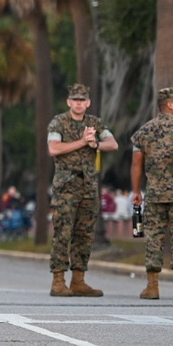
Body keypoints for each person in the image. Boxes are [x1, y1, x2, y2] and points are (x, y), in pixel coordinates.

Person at [47, 83, 119, 297]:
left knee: (85, 235)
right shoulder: (59, 122)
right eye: (75, 100)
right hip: (66, 187)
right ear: (69, 102)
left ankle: (78, 279)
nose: (78, 103)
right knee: (63, 233)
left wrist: (94, 143)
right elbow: (53, 149)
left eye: (82, 100)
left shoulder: (95, 123)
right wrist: (82, 141)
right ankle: (58, 280)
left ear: (88, 103)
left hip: (89, 187)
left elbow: (113, 144)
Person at [131, 86, 173, 301]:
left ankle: (152, 287)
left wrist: (137, 191)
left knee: (154, 239)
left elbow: (136, 164)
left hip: (155, 194)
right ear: (170, 105)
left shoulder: (144, 131)